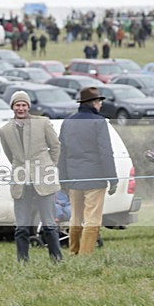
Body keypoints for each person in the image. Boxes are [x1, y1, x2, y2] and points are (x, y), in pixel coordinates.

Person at [0, 91, 62, 263]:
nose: (20, 108)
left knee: (49, 224)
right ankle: (22, 261)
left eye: (23, 105)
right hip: (21, 183)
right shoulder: (4, 130)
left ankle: (56, 259)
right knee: (21, 226)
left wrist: (49, 167)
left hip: (44, 180)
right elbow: (10, 155)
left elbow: (55, 146)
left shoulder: (42, 123)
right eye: (17, 105)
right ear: (12, 107)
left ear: (28, 106)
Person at [57, 86, 118, 255]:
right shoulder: (99, 122)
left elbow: (62, 153)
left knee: (75, 217)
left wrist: (62, 178)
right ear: (93, 103)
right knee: (92, 218)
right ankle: (85, 255)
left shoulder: (67, 122)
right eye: (98, 101)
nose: (100, 105)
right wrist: (112, 179)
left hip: (74, 177)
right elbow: (106, 152)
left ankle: (73, 251)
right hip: (95, 178)